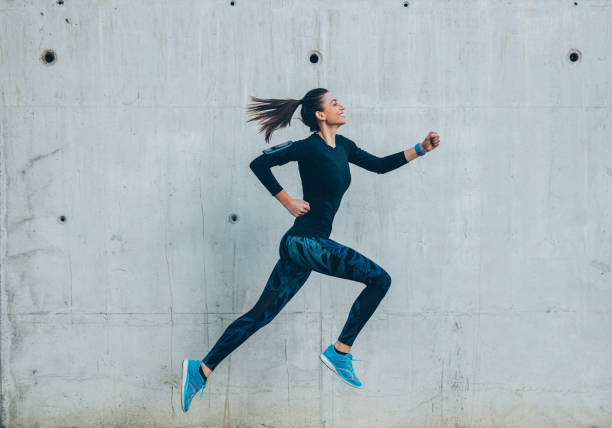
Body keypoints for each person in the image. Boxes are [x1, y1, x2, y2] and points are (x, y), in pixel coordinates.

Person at [181, 88, 440, 412]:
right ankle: (340, 352)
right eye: (334, 103)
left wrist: (421, 148)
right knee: (379, 279)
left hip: (304, 248)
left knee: (260, 315)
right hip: (304, 242)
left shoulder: (344, 147)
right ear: (320, 114)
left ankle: (200, 370)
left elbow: (380, 166)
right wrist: (286, 199)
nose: (341, 106)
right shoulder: (307, 147)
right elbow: (259, 164)